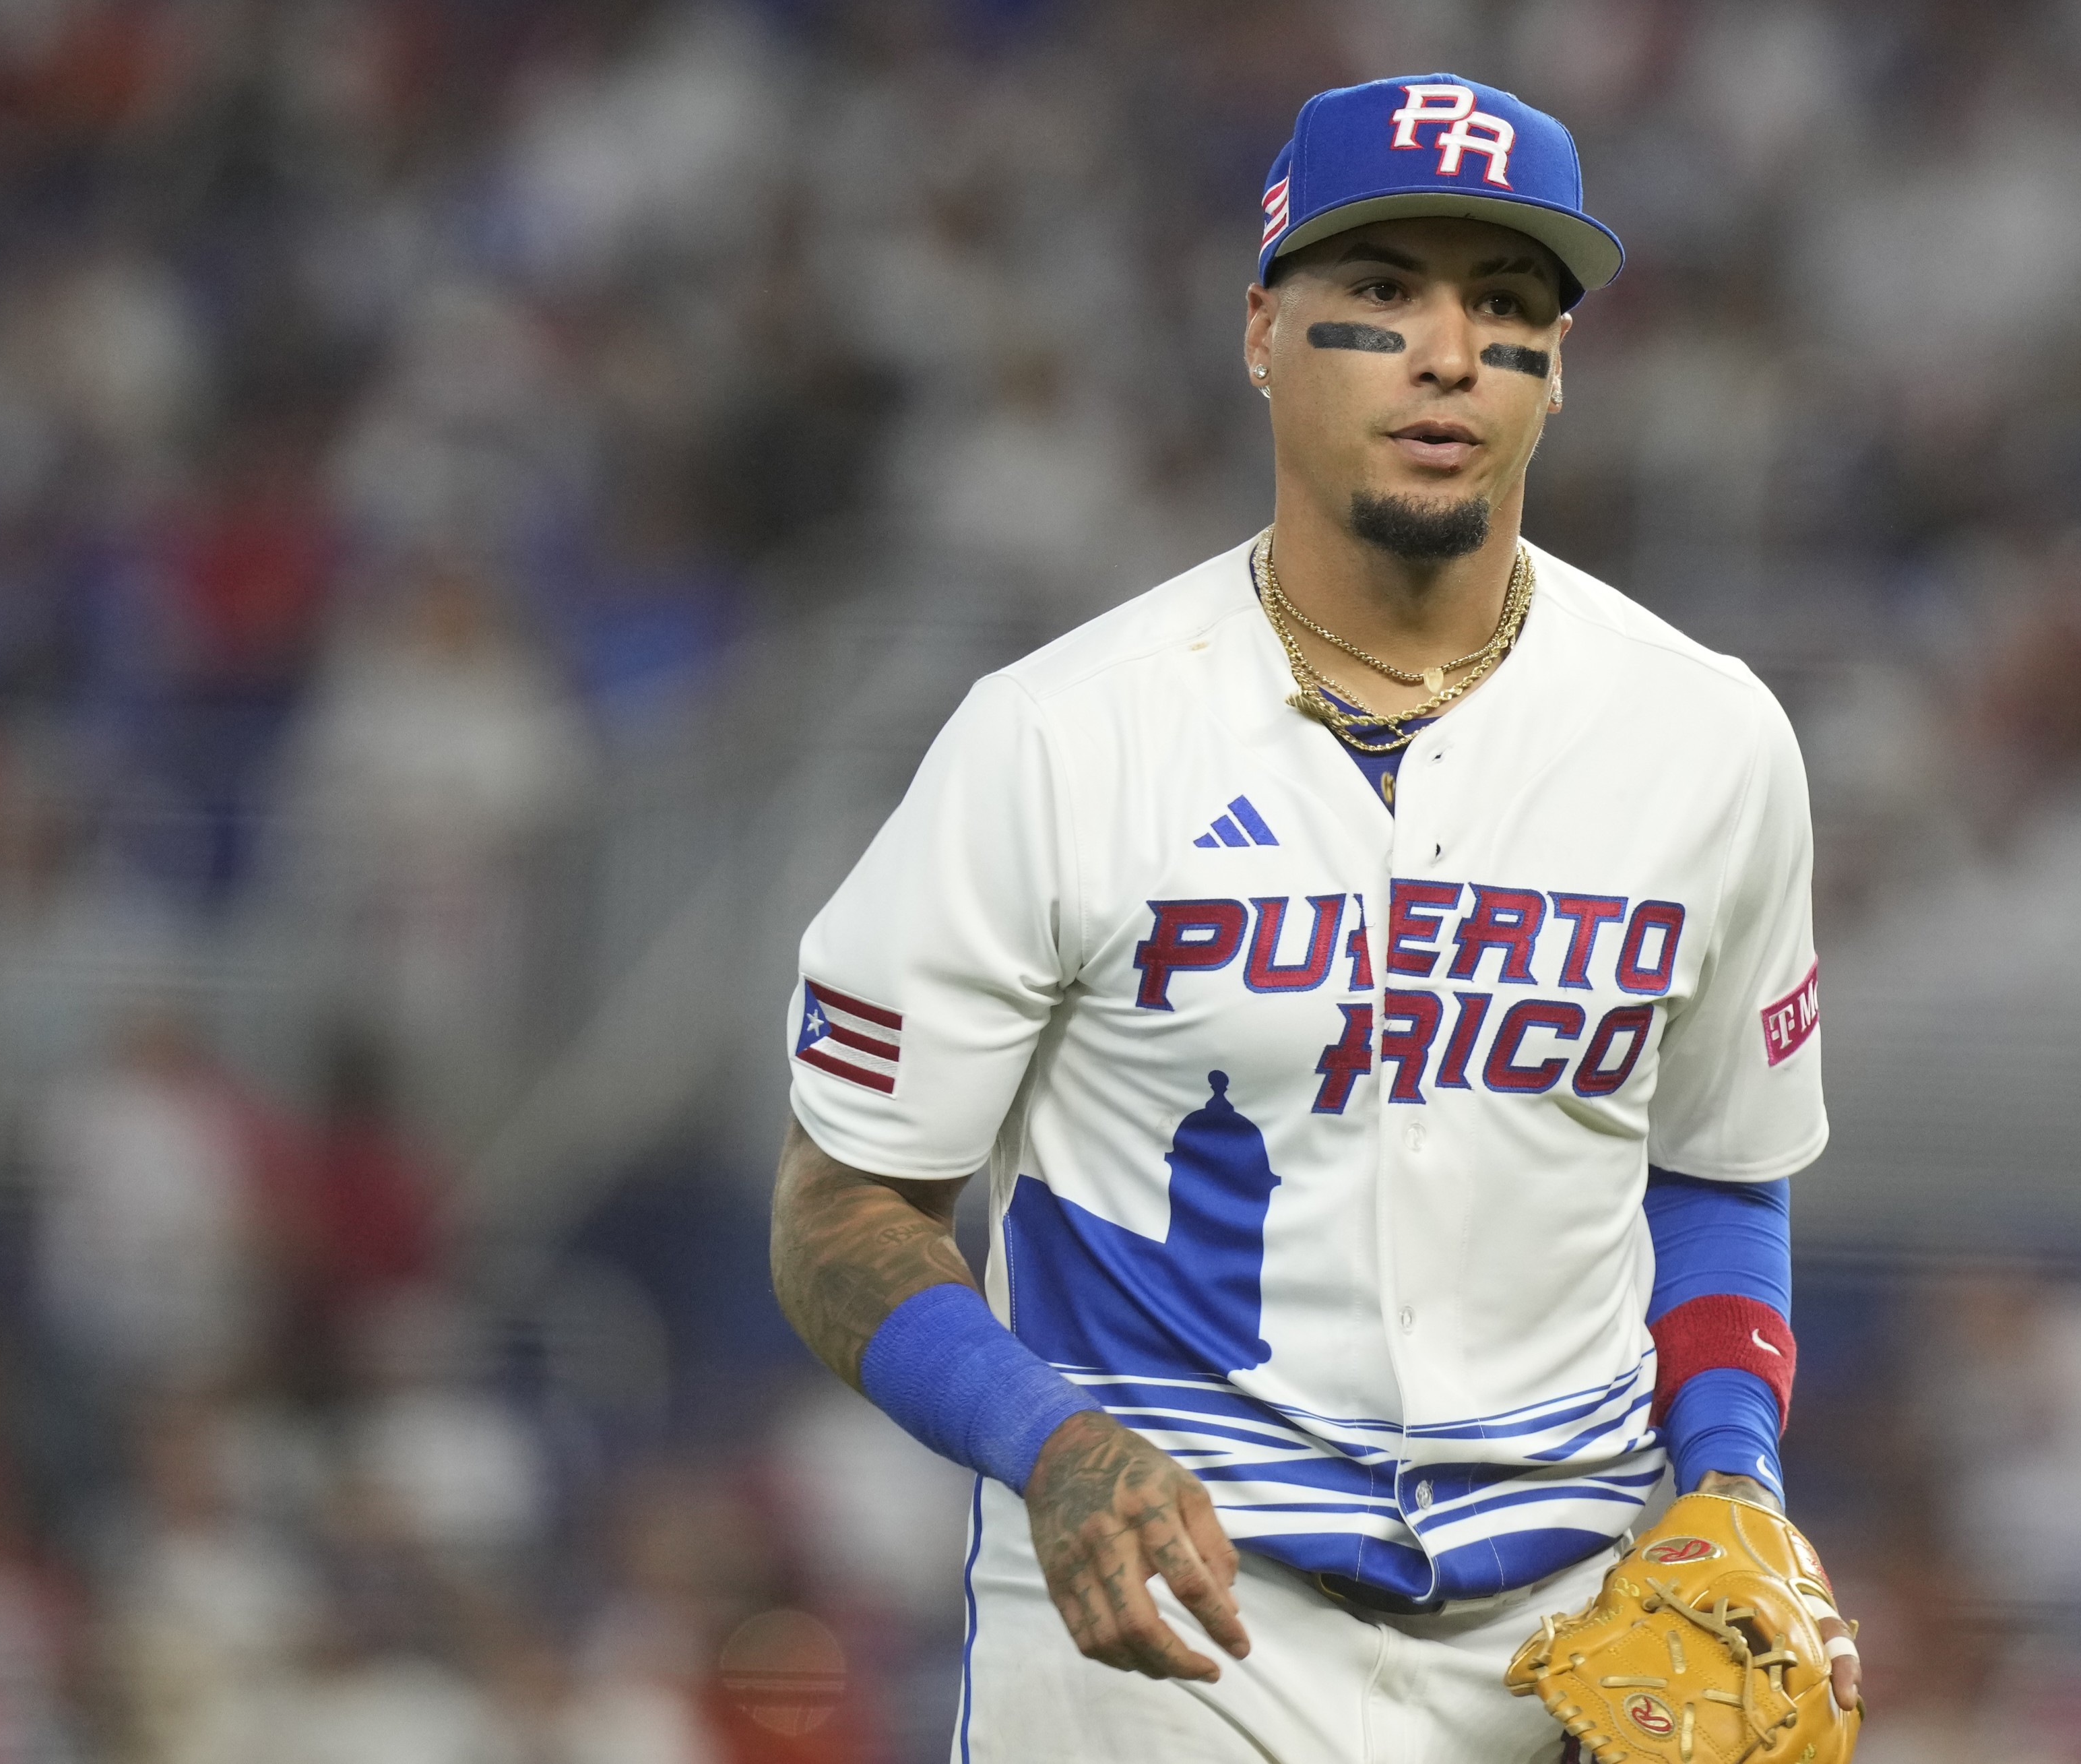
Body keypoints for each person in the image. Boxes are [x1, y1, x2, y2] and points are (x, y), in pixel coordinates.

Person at [767, 73, 1855, 1761]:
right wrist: (1046, 1443)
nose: (1446, 352)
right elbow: (841, 1208)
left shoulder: (1705, 738)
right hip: (1168, 1620)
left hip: (1566, 1635)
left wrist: (1730, 1474)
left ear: (1556, 372)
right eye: (1379, 296)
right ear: (1262, 334)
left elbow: (1719, 1166)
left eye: (1505, 307)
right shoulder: (1062, 734)